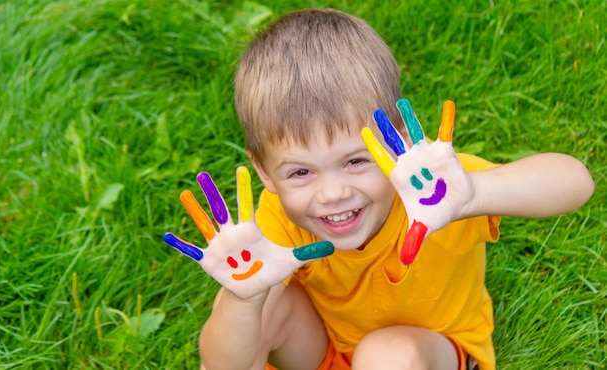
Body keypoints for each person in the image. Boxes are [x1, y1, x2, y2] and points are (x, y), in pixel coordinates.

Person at [163, 8, 594, 370]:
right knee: (268, 297)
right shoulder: (279, 216)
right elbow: (220, 364)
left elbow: (576, 181)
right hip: (327, 346)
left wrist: (477, 194)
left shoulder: (434, 191)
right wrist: (245, 297)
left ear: (398, 141)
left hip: (422, 352)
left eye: (355, 161)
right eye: (300, 173)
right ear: (265, 173)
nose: (331, 193)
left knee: (383, 356)